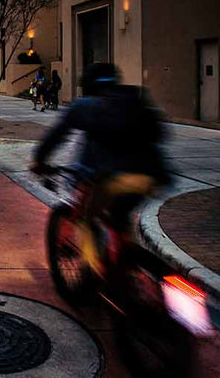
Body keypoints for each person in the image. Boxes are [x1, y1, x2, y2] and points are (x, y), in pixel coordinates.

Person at [30, 62, 169, 278]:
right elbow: (161, 133)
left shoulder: (84, 106)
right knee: (120, 218)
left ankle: (94, 272)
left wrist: (39, 160)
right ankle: (129, 260)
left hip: (111, 180)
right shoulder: (132, 100)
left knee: (85, 220)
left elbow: (55, 137)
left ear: (87, 86)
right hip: (151, 177)